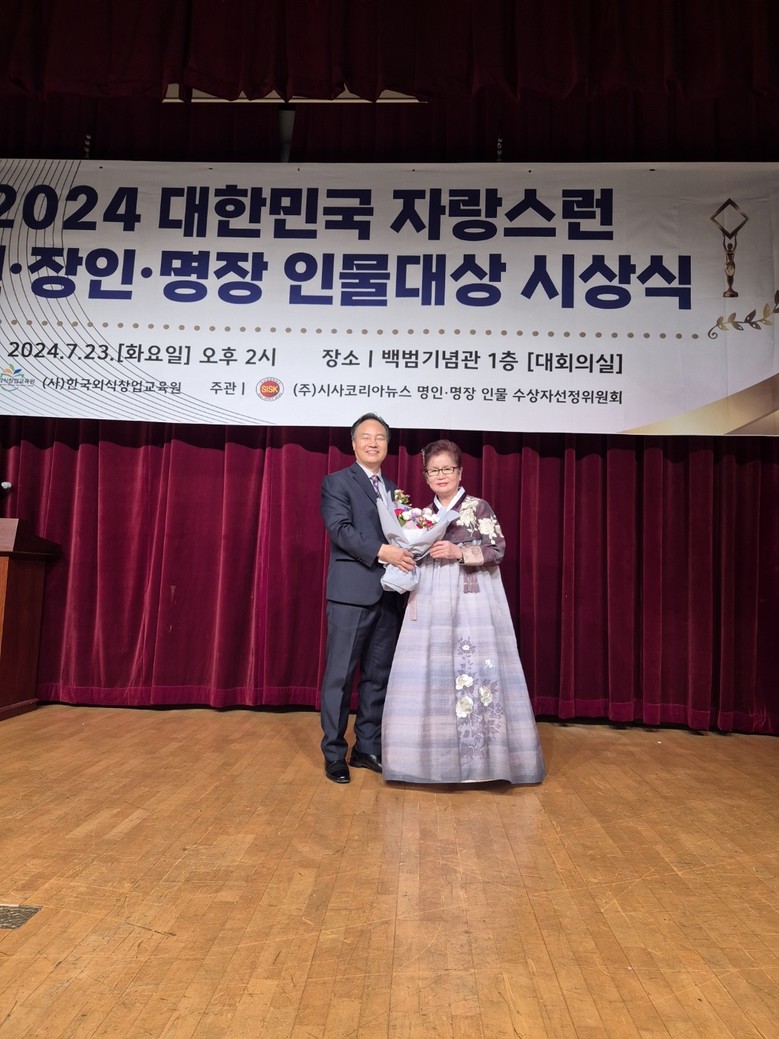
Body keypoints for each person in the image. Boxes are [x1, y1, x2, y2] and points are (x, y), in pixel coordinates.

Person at [381, 439, 545, 785]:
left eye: (447, 469)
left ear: (459, 472)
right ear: (425, 476)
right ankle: (427, 762)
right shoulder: (421, 517)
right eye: (434, 470)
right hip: (430, 597)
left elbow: (497, 550)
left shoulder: (478, 508)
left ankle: (482, 764)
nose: (441, 475)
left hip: (472, 597)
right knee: (432, 668)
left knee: (473, 667)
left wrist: (459, 552)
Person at [319, 413, 415, 784]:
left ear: (388, 446)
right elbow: (340, 530)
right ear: (354, 443)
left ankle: (367, 747)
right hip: (351, 596)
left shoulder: (393, 489)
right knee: (340, 677)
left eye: (380, 438)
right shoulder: (337, 482)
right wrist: (382, 552)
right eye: (366, 437)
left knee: (378, 676)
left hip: (388, 595)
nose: (373, 443)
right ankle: (334, 754)